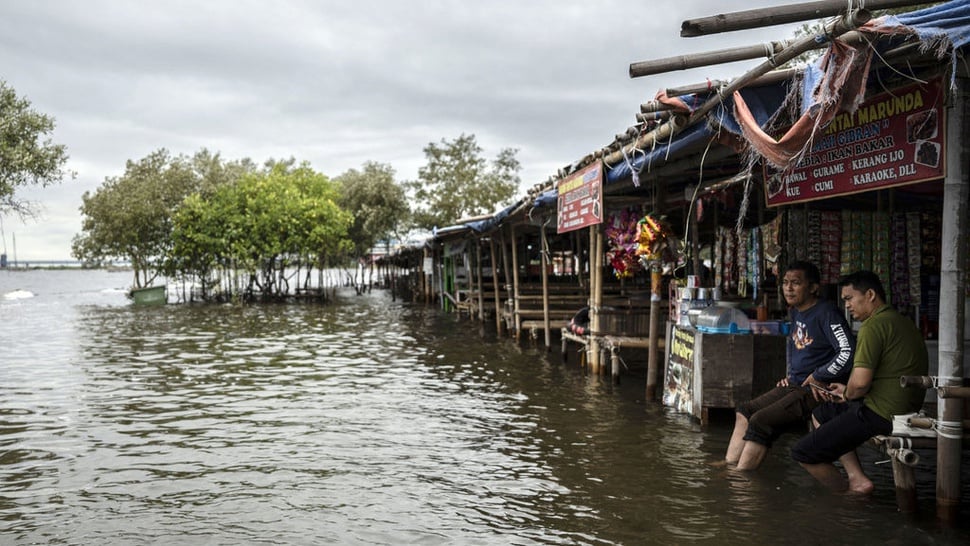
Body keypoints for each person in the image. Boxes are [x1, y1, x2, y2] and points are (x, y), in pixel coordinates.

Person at [791, 270, 928, 494]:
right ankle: (858, 479)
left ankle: (847, 502)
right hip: (905, 409)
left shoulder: (872, 326)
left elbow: (861, 383)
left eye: (849, 298)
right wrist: (847, 391)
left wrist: (848, 394)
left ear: (871, 294)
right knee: (822, 413)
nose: (847, 307)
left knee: (803, 453)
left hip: (882, 415)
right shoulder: (902, 321)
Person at [725, 260, 855, 470]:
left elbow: (848, 352)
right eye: (785, 282)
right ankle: (729, 465)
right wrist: (790, 373)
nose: (788, 288)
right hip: (795, 383)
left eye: (795, 283)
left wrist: (820, 375)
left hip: (817, 389)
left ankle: (740, 479)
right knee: (745, 410)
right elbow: (796, 346)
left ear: (813, 287)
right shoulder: (795, 311)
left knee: (761, 420)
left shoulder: (827, 313)